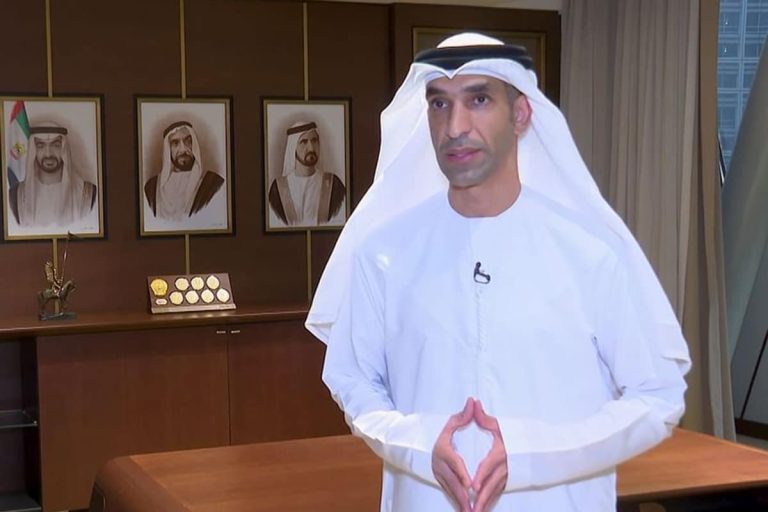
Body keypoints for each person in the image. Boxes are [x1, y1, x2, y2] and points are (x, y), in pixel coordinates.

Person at [306, 33, 691, 512]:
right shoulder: (383, 253)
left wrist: (532, 454)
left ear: (522, 115)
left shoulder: (592, 252)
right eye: (440, 104)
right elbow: (352, 380)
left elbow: (657, 397)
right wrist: (417, 443)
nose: (454, 127)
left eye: (479, 100)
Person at [9, 124, 97, 227]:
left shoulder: (87, 194)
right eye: (40, 146)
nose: (48, 154)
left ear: (64, 149)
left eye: (56, 145)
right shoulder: (16, 195)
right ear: (34, 150)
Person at [268, 121, 345, 226]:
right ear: (293, 147)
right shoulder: (278, 188)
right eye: (304, 142)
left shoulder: (333, 184)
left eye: (314, 141)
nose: (311, 148)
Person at [144, 121, 224, 220]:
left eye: (188, 141)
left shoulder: (213, 184)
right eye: (175, 143)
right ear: (168, 150)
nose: (183, 149)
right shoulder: (151, 188)